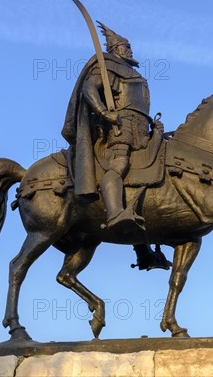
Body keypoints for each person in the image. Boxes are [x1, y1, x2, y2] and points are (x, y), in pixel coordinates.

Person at [61, 21, 170, 270]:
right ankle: (114, 214)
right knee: (120, 166)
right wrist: (103, 111)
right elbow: (90, 88)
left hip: (141, 130)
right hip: (119, 129)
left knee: (149, 173)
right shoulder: (109, 66)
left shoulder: (133, 73)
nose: (129, 51)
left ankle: (144, 251)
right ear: (115, 48)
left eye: (129, 47)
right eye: (125, 46)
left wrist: (156, 129)